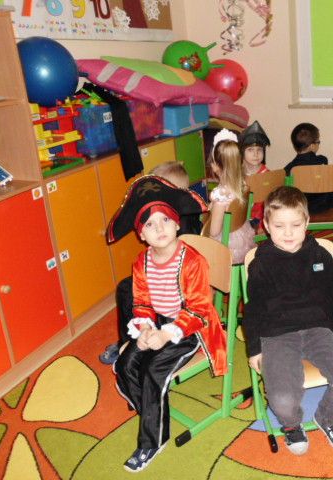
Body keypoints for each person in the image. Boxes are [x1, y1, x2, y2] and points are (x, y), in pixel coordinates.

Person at [106, 175, 227, 472]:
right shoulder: (141, 262)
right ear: (141, 234)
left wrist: (165, 334)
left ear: (176, 224)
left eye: (165, 220)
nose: (159, 228)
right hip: (158, 323)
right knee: (125, 364)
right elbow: (142, 302)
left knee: (152, 372)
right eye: (150, 224)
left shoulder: (192, 261)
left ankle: (153, 441)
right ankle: (152, 411)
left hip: (188, 329)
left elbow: (199, 309)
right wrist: (145, 328)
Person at [242, 186, 333, 455]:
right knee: (282, 398)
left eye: (295, 225)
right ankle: (292, 425)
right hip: (276, 333)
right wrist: (254, 348)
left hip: (318, 329)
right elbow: (253, 309)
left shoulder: (319, 254)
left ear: (306, 222)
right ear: (266, 226)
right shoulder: (261, 263)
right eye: (279, 226)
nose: (288, 233)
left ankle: (328, 418)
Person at [99, 161, 202, 365]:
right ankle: (134, 336)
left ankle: (130, 342)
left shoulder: (180, 221)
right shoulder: (165, 216)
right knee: (129, 287)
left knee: (128, 290)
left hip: (177, 288)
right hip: (164, 277)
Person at [207, 128, 256, 263]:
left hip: (226, 245)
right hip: (242, 235)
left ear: (215, 166)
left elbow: (214, 232)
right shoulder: (243, 186)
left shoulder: (220, 196)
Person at [283, 122, 333, 214]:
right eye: (318, 142)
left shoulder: (289, 169)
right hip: (329, 210)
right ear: (312, 146)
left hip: (301, 212)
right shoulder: (322, 161)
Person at [239, 120, 270, 228]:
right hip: (240, 219)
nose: (256, 154)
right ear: (242, 152)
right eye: (250, 150)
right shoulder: (237, 174)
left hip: (261, 220)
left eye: (259, 150)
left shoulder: (268, 176)